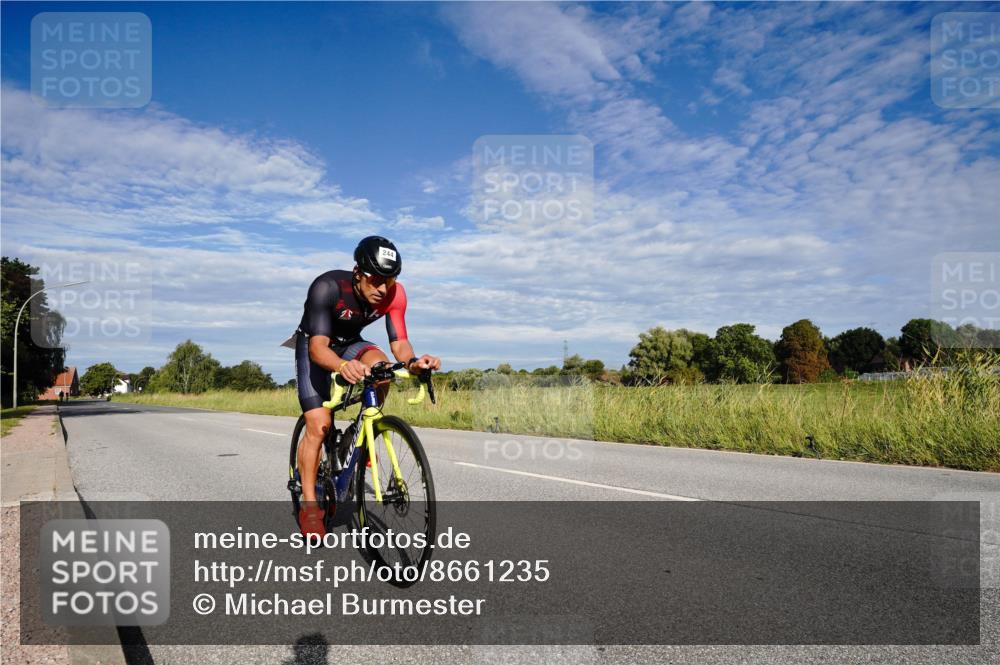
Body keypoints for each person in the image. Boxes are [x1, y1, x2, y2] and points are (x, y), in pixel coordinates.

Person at [290, 236, 440, 537]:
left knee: (383, 369)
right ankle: (309, 505)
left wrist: (413, 362)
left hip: (351, 342)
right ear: (358, 273)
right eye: (375, 280)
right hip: (317, 343)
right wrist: (344, 367)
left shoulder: (395, 295)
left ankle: (361, 433)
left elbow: (399, 343)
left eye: (390, 280)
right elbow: (319, 349)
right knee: (319, 425)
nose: (383, 288)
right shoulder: (328, 287)